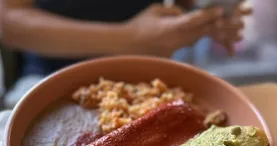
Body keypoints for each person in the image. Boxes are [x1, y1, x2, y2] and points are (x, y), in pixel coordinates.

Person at [1, 0, 250, 108]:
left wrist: (207, 15)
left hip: (151, 76)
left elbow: (181, 4)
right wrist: (132, 38)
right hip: (49, 73)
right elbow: (8, 21)